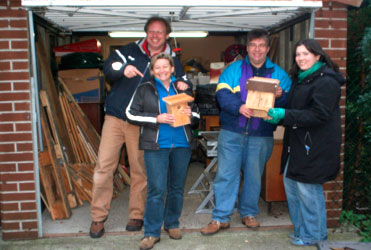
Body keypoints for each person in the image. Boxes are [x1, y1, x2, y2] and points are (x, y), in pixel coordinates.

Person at [89, 16, 190, 238]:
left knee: (140, 170)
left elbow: (184, 82)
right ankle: (97, 217)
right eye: (151, 32)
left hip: (143, 121)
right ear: (146, 33)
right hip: (116, 118)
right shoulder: (128, 51)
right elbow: (109, 66)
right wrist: (122, 69)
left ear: (167, 36)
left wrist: (186, 85)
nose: (155, 36)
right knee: (104, 167)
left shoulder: (172, 59)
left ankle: (137, 214)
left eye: (160, 32)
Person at [200, 29, 292, 235]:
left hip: (261, 135)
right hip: (233, 132)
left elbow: (289, 103)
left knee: (253, 176)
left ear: (268, 48)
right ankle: (220, 218)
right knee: (226, 175)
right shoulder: (233, 70)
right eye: (253, 45)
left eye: (261, 46)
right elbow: (222, 95)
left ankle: (248, 213)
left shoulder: (279, 74)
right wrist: (238, 107)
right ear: (248, 48)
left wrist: (281, 96)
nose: (257, 50)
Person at [265, 38, 345, 246]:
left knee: (309, 191)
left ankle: (315, 235)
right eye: (298, 54)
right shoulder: (302, 79)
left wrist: (285, 114)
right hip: (298, 144)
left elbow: (318, 115)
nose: (300, 58)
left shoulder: (326, 81)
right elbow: (296, 111)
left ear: (317, 56)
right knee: (291, 185)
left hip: (314, 146)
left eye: (305, 54)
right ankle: (302, 231)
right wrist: (279, 116)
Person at [126, 53, 199, 250]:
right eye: (157, 67)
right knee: (156, 190)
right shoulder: (144, 88)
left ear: (172, 68)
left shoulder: (183, 88)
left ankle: (172, 224)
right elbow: (130, 113)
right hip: (157, 146)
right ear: (152, 70)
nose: (162, 70)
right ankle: (151, 232)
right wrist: (155, 118)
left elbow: (198, 114)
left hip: (182, 145)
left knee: (176, 188)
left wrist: (190, 114)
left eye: (165, 66)